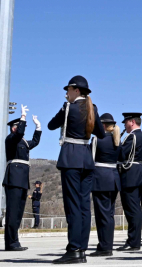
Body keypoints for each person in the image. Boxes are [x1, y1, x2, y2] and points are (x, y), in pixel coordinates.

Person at [47, 75, 106, 264]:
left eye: (69, 90)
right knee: (83, 206)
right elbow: (101, 133)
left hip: (71, 158)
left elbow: (51, 125)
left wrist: (65, 107)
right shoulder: (92, 108)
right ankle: (82, 249)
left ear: (76, 90)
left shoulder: (68, 108)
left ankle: (74, 249)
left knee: (72, 205)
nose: (67, 93)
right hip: (86, 159)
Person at [3, 104, 41, 252]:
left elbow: (35, 142)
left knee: (18, 212)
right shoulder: (11, 139)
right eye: (19, 126)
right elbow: (19, 134)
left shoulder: (23, 142)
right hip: (13, 178)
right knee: (13, 212)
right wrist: (23, 117)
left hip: (22, 180)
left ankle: (14, 242)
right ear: (14, 128)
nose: (21, 128)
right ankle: (11, 243)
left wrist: (38, 127)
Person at [90, 113, 122, 257]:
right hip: (113, 179)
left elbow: (90, 159)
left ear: (102, 125)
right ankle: (107, 245)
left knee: (102, 215)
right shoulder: (117, 141)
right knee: (109, 214)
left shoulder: (97, 139)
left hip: (100, 179)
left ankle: (104, 247)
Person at [116, 112, 142, 252]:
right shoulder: (140, 136)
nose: (124, 125)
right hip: (137, 173)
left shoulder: (133, 136)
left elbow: (123, 154)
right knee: (133, 209)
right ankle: (134, 240)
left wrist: (116, 144)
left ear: (132, 122)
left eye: (126, 122)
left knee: (132, 209)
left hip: (130, 175)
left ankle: (133, 241)